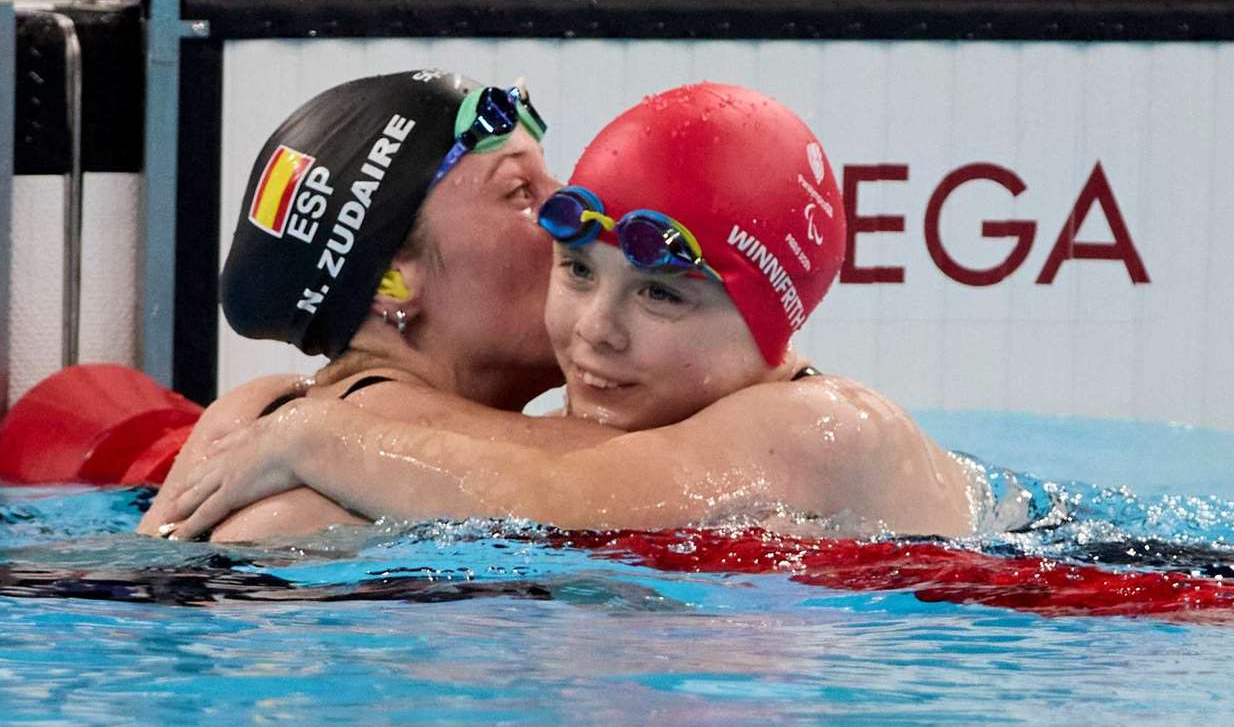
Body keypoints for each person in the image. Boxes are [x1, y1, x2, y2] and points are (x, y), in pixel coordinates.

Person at [157, 83, 1001, 541]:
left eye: (661, 291)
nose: (596, 324)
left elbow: (569, 489)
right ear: (392, 281)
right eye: (525, 198)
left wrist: (317, 439)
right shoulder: (296, 468)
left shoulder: (823, 429)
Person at [136, 70, 618, 541]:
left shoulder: (255, 408)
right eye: (520, 193)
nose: (573, 212)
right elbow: (675, 476)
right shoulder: (420, 445)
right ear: (391, 281)